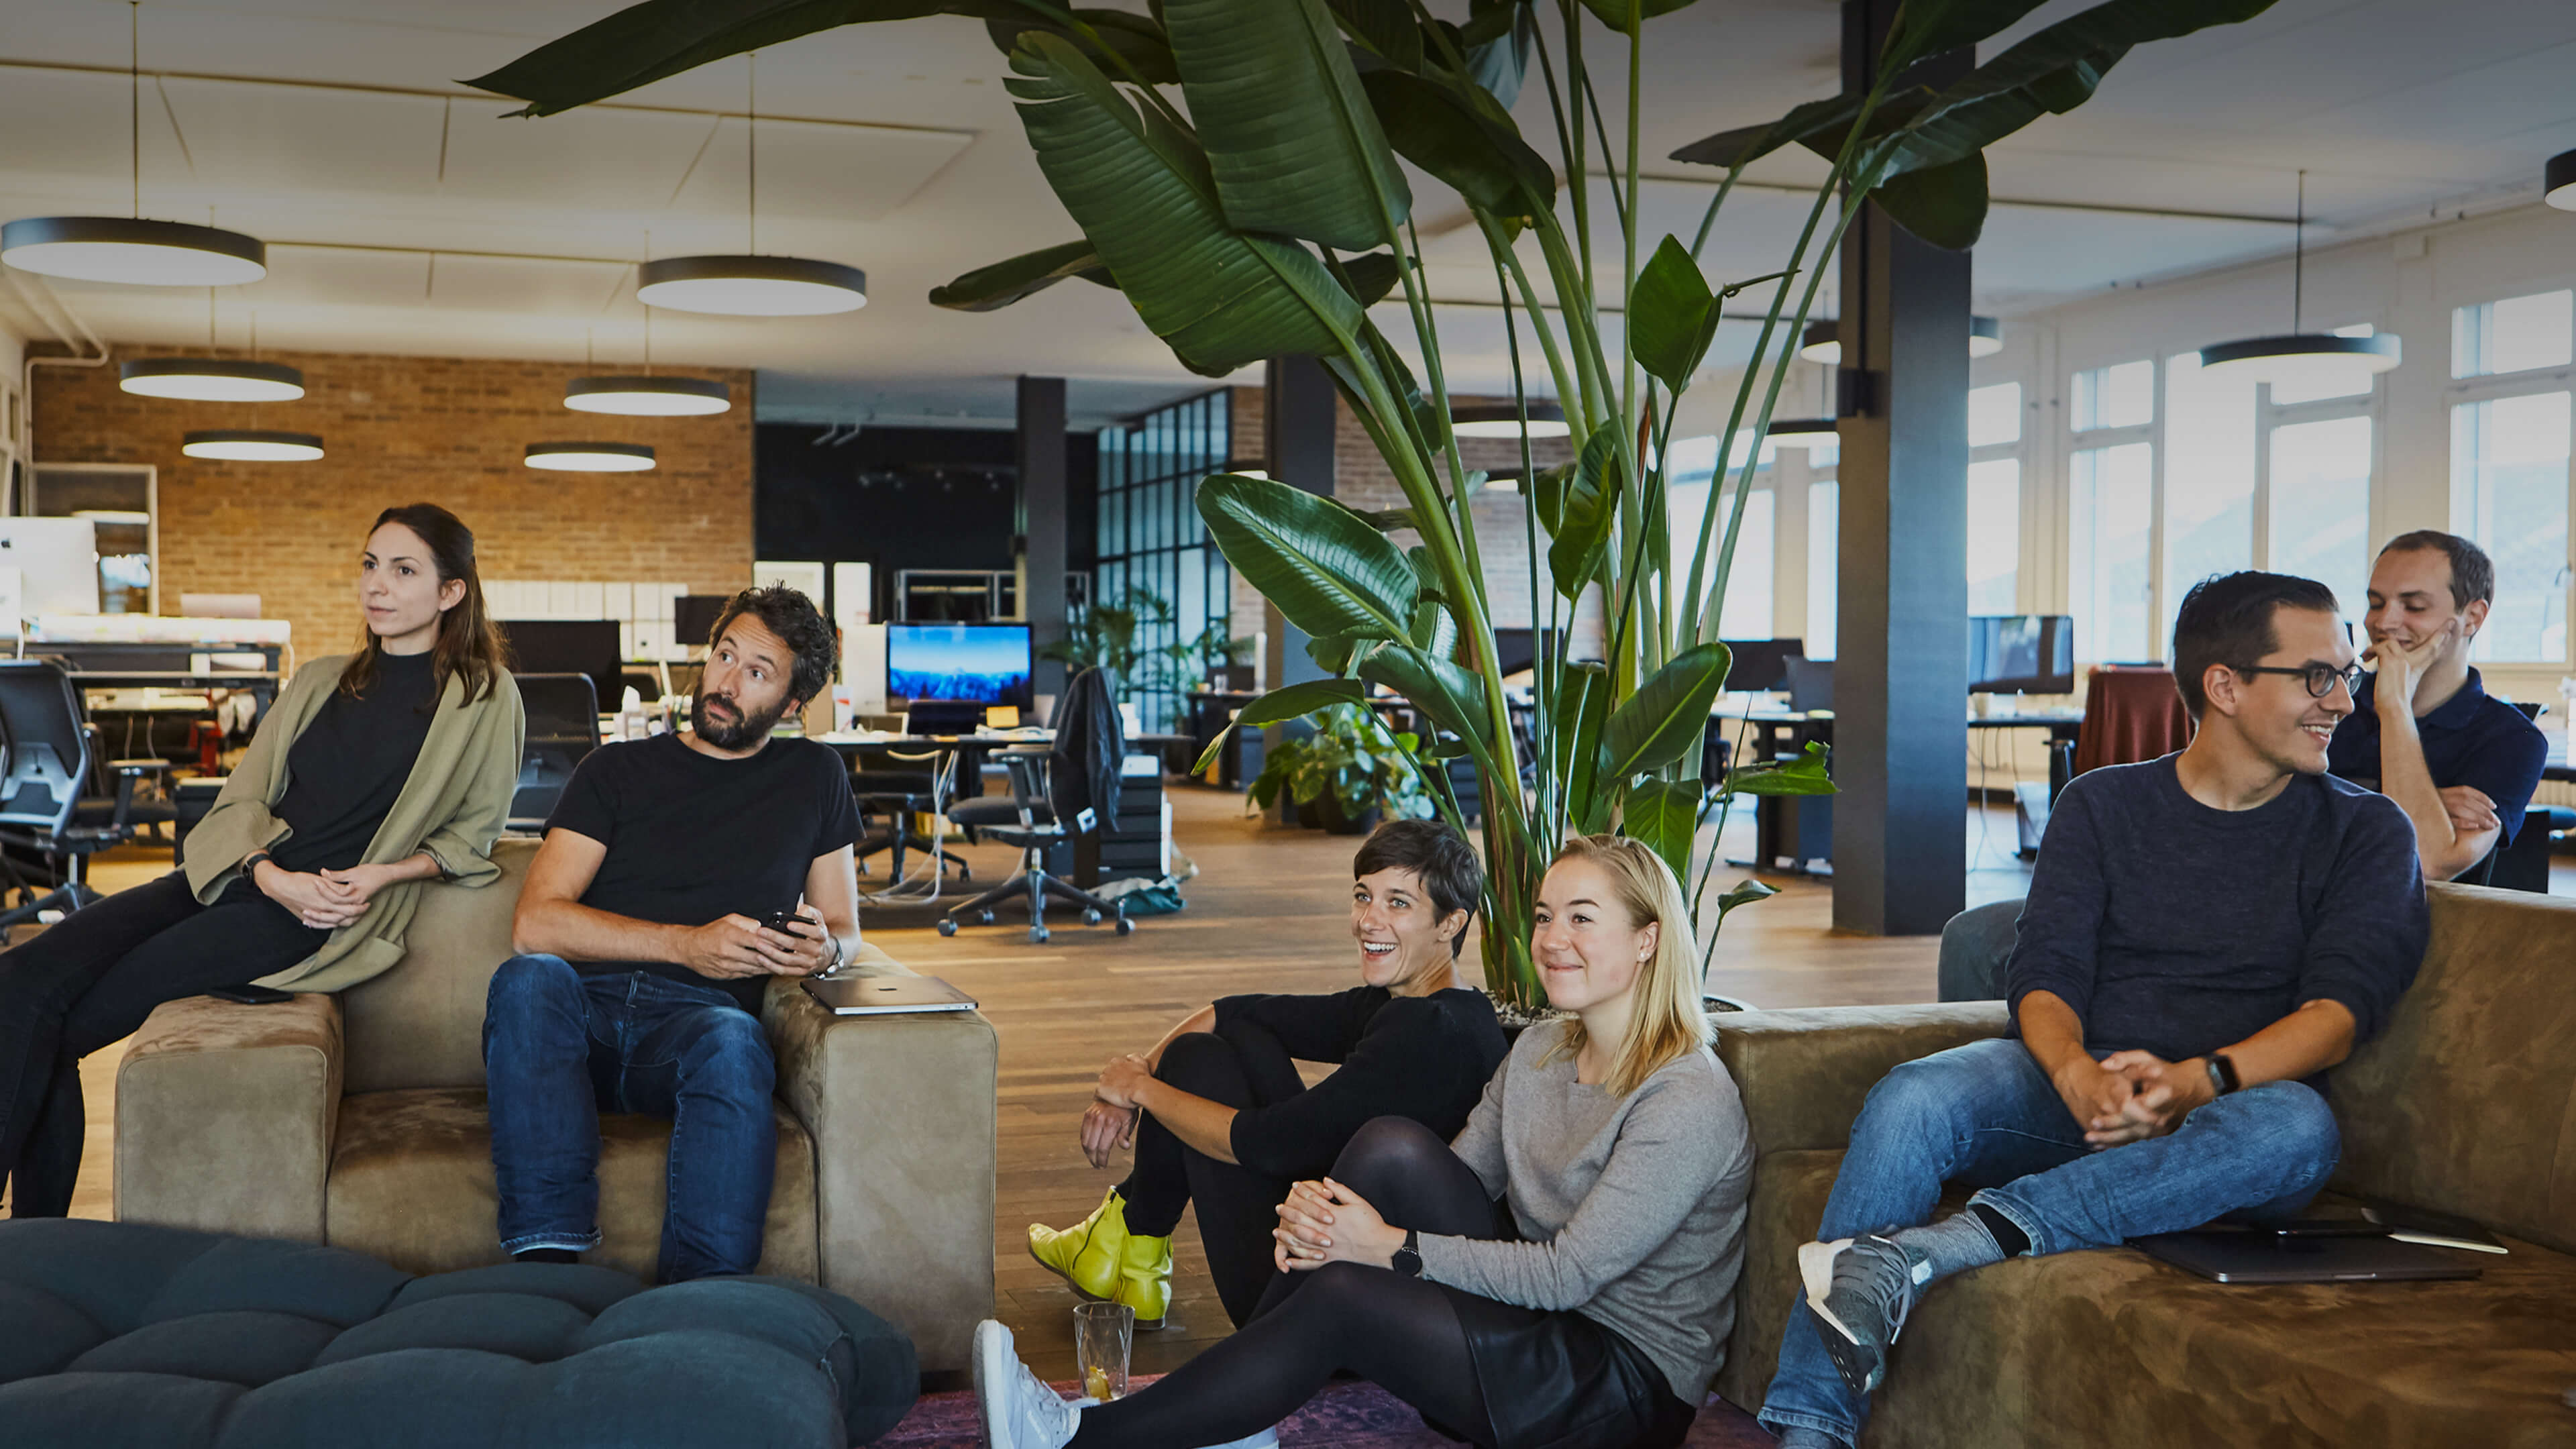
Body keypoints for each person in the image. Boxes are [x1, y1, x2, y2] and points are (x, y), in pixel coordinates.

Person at [1757, 571, 2430, 1449]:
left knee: (2299, 1127)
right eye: (2317, 676)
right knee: (1914, 1097)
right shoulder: (2103, 805)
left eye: (2347, 675)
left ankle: (1934, 1251)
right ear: (2225, 686)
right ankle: (1811, 1423)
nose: (2343, 700)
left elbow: (2343, 1008)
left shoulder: (2368, 830)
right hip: (2079, 1096)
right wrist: (2074, 1072)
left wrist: (2199, 1080)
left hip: (2231, 1114)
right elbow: (2046, 968)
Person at [976, 835, 1754, 1449]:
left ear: (1648, 941)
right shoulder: (1544, 1051)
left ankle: (1083, 1437)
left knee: (1359, 1256)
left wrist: (1388, 1246)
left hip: (1613, 1386)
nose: (1552, 938)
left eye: (1583, 918)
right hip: (1524, 1329)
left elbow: (1569, 1277)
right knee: (1386, 1151)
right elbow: (1452, 1177)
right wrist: (1333, 1215)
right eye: (1546, 915)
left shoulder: (1685, 1095)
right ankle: (1236, 1410)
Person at [0, 503, 523, 1217]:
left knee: (60, 1025)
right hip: (238, 877)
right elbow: (239, 800)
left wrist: (384, 874)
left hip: (313, 914)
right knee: (22, 978)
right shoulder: (320, 680)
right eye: (371, 565)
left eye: (404, 570)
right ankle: (33, 1245)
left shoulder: (486, 698)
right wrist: (264, 871)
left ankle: (32, 1244)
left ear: (451, 592)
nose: (378, 585)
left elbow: (475, 834)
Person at [484, 583, 860, 1283]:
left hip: (695, 1031)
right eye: (724, 655)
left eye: (757, 672)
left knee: (733, 1039)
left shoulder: (815, 776)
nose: (725, 682)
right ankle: (545, 1264)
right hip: (582, 1026)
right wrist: (686, 943)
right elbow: (535, 923)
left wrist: (826, 948)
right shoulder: (615, 770)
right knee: (528, 980)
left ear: (791, 705)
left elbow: (844, 930)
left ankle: (699, 1300)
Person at [1028, 817, 1508, 1330]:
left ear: (1450, 925)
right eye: (1364, 896)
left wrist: (1140, 1089)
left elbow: (1263, 1143)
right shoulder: (1434, 1005)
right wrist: (1134, 1074)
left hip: (1322, 1303)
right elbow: (1241, 1010)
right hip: (1337, 1261)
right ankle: (1132, 1251)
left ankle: (1127, 1239)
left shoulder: (1426, 1033)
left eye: (1398, 903)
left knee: (1195, 1065)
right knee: (1224, 1042)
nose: (1369, 920)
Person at [2330, 530, 2548, 881]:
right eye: (2376, 603)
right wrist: (2416, 804)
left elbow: (2426, 862)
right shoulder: (2331, 701)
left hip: (2420, 929)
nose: (2383, 623)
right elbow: (2266, 809)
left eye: (2414, 606)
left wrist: (2395, 704)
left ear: (2473, 617)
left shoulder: (2514, 739)